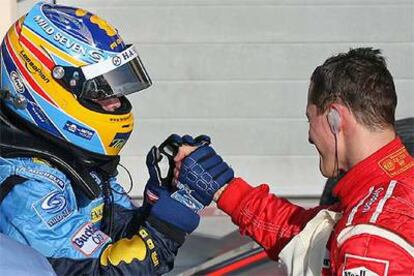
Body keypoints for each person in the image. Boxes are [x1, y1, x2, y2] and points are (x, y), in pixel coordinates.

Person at [0, 2, 202, 275]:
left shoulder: (72, 157)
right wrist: (168, 226)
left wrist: (163, 201)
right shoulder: (26, 184)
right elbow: (101, 269)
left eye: (115, 89)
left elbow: (116, 235)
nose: (116, 103)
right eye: (100, 89)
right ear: (43, 87)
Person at [173, 48, 414, 275]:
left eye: (310, 118)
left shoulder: (371, 237)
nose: (310, 136)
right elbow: (305, 236)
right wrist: (221, 186)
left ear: (335, 117)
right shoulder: (392, 190)